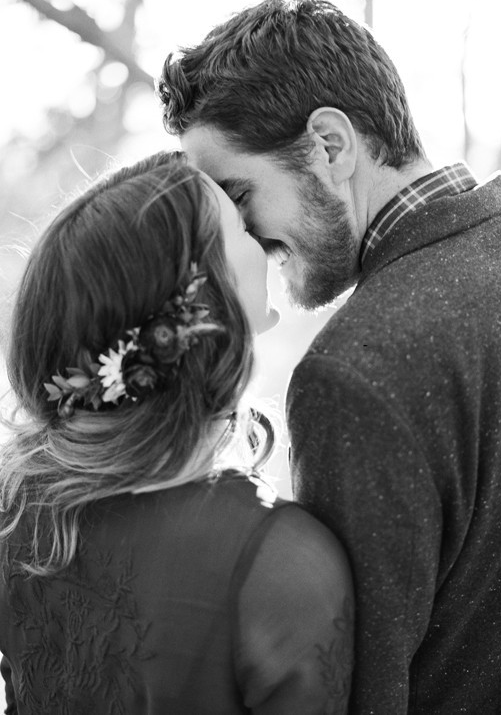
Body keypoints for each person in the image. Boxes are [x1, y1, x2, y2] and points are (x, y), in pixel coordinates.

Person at [157, 0, 501, 713]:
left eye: (239, 195)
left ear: (329, 144)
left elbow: (356, 693)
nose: (242, 241)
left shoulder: (355, 371)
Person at [0, 150, 355, 715]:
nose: (264, 238)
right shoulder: (281, 563)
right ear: (203, 306)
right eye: (240, 222)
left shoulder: (18, 513)